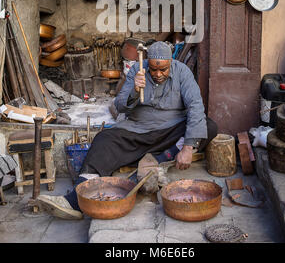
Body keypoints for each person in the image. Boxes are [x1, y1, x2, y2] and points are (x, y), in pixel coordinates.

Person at [37, 41, 217, 219]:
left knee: (208, 126)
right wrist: (134, 90)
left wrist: (188, 147)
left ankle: (161, 160)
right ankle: (74, 201)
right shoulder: (136, 70)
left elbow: (195, 107)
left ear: (171, 63)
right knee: (103, 140)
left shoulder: (182, 72)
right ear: (147, 63)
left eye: (163, 69)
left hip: (171, 130)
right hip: (137, 131)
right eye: (153, 70)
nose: (158, 74)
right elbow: (120, 106)